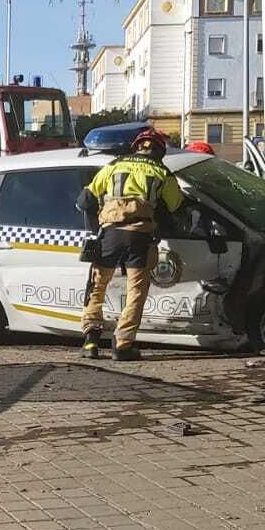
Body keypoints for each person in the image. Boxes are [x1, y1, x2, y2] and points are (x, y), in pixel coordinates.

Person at [77, 127, 183, 361]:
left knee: (97, 286)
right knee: (136, 292)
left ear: (136, 146)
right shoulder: (163, 173)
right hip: (140, 238)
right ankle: (123, 345)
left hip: (109, 236)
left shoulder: (113, 166)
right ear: (159, 152)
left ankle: (90, 341)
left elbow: (85, 200)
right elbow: (176, 206)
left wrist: (96, 228)